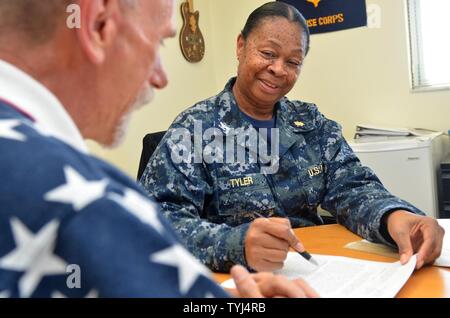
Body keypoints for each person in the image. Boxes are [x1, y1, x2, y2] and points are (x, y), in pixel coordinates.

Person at [0, 0, 318, 298]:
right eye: (157, 43)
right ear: (98, 25)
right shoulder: (81, 204)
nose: (160, 77)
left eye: (292, 62)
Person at [140, 1, 445, 273]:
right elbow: (154, 222)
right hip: (236, 281)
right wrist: (236, 244)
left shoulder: (311, 123)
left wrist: (395, 217)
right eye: (268, 53)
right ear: (240, 46)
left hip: (317, 271)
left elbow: (353, 187)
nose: (277, 69)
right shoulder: (195, 129)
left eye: (293, 62)